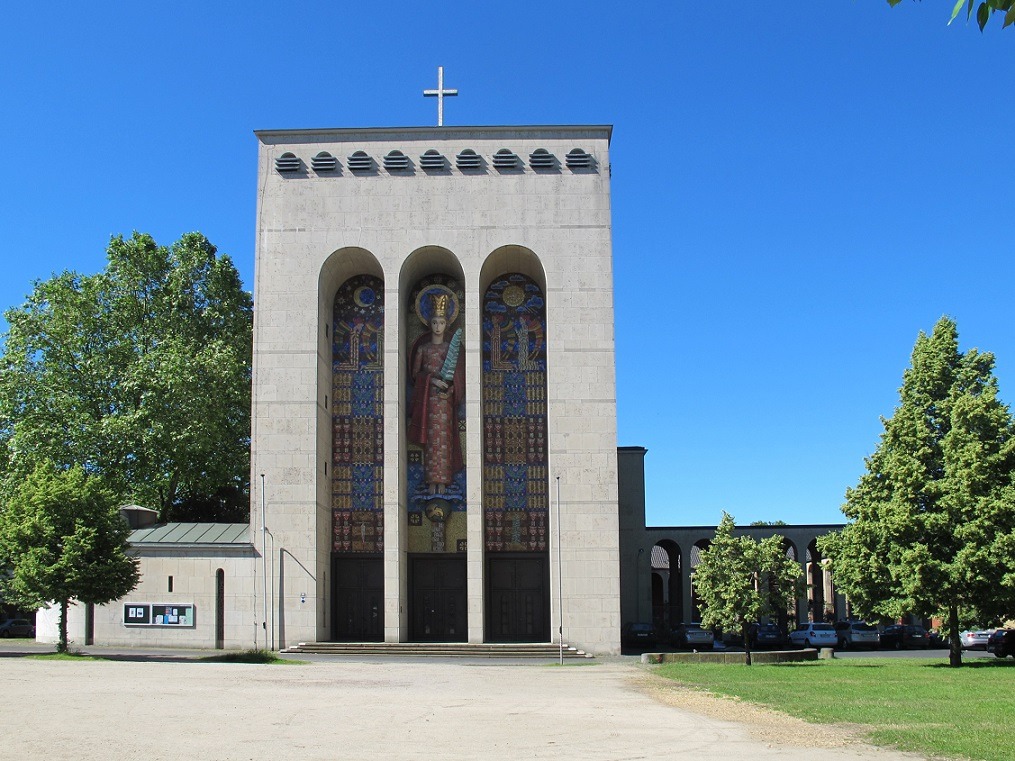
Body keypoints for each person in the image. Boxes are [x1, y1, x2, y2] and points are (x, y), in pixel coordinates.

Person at [408, 293, 464, 495]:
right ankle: (432, 483)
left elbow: (458, 377)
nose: (438, 326)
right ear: (429, 323)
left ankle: (445, 482)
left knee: (444, 442)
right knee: (432, 442)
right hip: (428, 401)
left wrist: (449, 388)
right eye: (434, 322)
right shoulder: (423, 349)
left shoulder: (451, 349)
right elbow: (416, 374)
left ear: (446, 324)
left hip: (445, 402)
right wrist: (432, 380)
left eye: (441, 322)